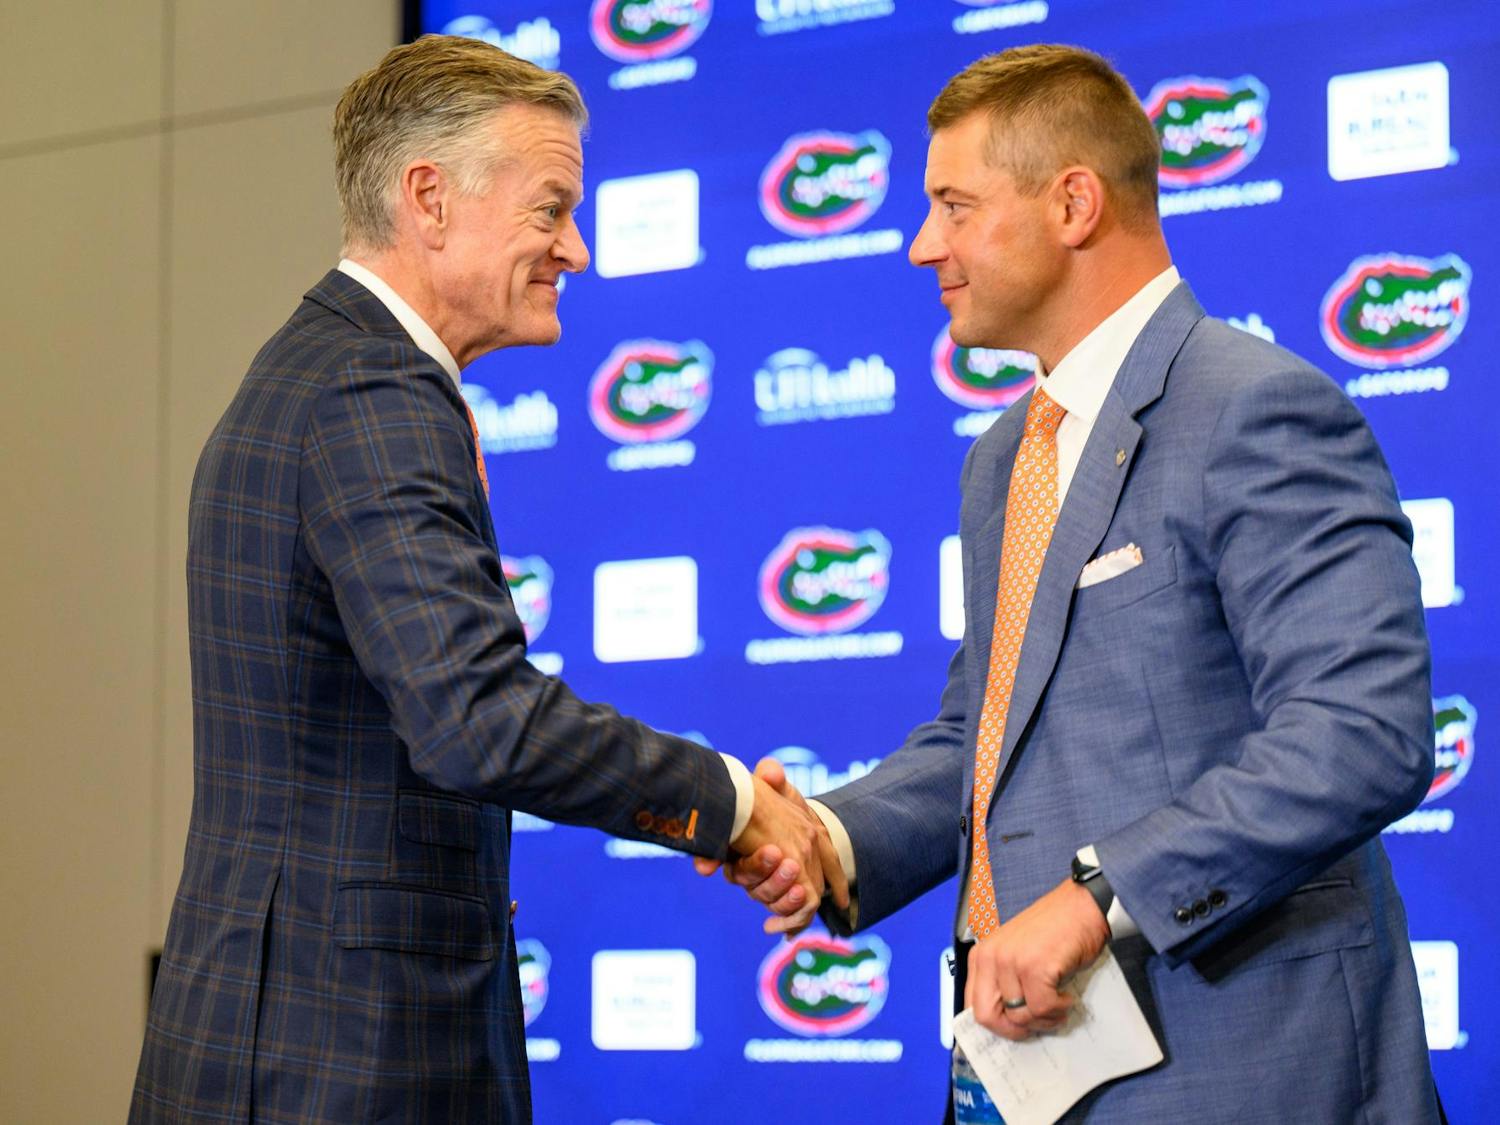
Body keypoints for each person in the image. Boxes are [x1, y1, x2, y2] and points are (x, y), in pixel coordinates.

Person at [709, 44, 1440, 1122]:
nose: (922, 247)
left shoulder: (1256, 409)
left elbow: (1360, 732)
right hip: (1023, 1077)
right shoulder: (1007, 456)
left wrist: (1102, 899)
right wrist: (831, 836)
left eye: (954, 207)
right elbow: (985, 734)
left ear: (1073, 203)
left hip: (1243, 1071)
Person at [130, 36, 842, 1124]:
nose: (580, 250)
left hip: (295, 1032)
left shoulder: (324, 370)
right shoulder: (372, 390)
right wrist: (731, 802)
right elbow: (477, 721)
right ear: (430, 198)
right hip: (339, 1055)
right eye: (551, 209)